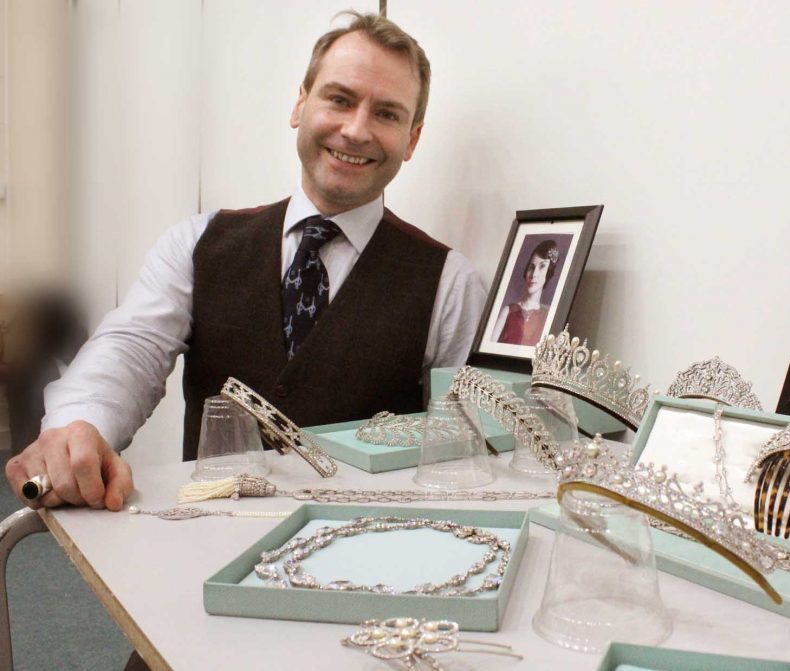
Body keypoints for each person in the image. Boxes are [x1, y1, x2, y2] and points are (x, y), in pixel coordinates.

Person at [5, 12, 486, 511]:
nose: (355, 129)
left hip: (371, 544)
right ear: (301, 104)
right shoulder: (195, 243)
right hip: (204, 538)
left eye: (386, 114)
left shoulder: (452, 284)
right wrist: (80, 424)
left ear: (412, 140)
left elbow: (465, 457)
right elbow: (132, 347)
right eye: (340, 100)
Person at [491, 239, 559, 346]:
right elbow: (488, 349)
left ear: (549, 273)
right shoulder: (508, 311)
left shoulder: (549, 316)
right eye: (531, 267)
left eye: (542, 266)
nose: (534, 274)